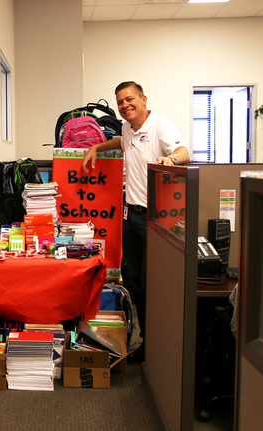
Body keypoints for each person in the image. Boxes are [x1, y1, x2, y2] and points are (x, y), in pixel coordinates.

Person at [82, 81, 189, 361]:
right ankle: (144, 341)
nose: (125, 105)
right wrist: (97, 147)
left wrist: (171, 160)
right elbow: (121, 141)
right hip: (131, 215)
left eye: (129, 99)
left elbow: (183, 151)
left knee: (152, 283)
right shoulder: (128, 128)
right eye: (120, 102)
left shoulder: (161, 126)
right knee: (135, 281)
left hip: (155, 218)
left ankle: (157, 345)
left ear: (143, 99)